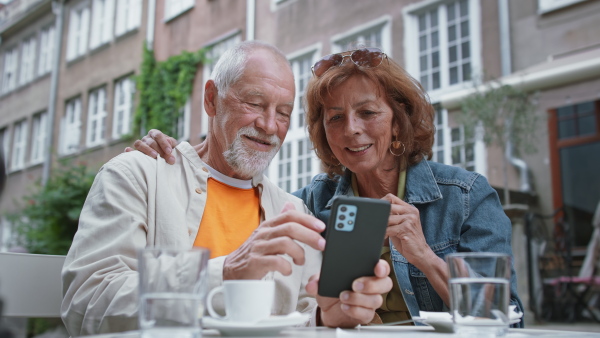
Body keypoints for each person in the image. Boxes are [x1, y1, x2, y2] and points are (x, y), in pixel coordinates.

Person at [134, 46, 525, 326]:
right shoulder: (311, 203)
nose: (350, 129)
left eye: (367, 113)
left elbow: (504, 314)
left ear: (398, 120)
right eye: (334, 118)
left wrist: (423, 254)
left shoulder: (465, 195)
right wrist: (178, 154)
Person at [62, 41, 392, 336]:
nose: (268, 125)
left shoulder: (292, 211)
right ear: (211, 99)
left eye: (283, 113)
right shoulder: (137, 176)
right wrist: (227, 273)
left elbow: (299, 318)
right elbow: (87, 302)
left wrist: (323, 318)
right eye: (254, 103)